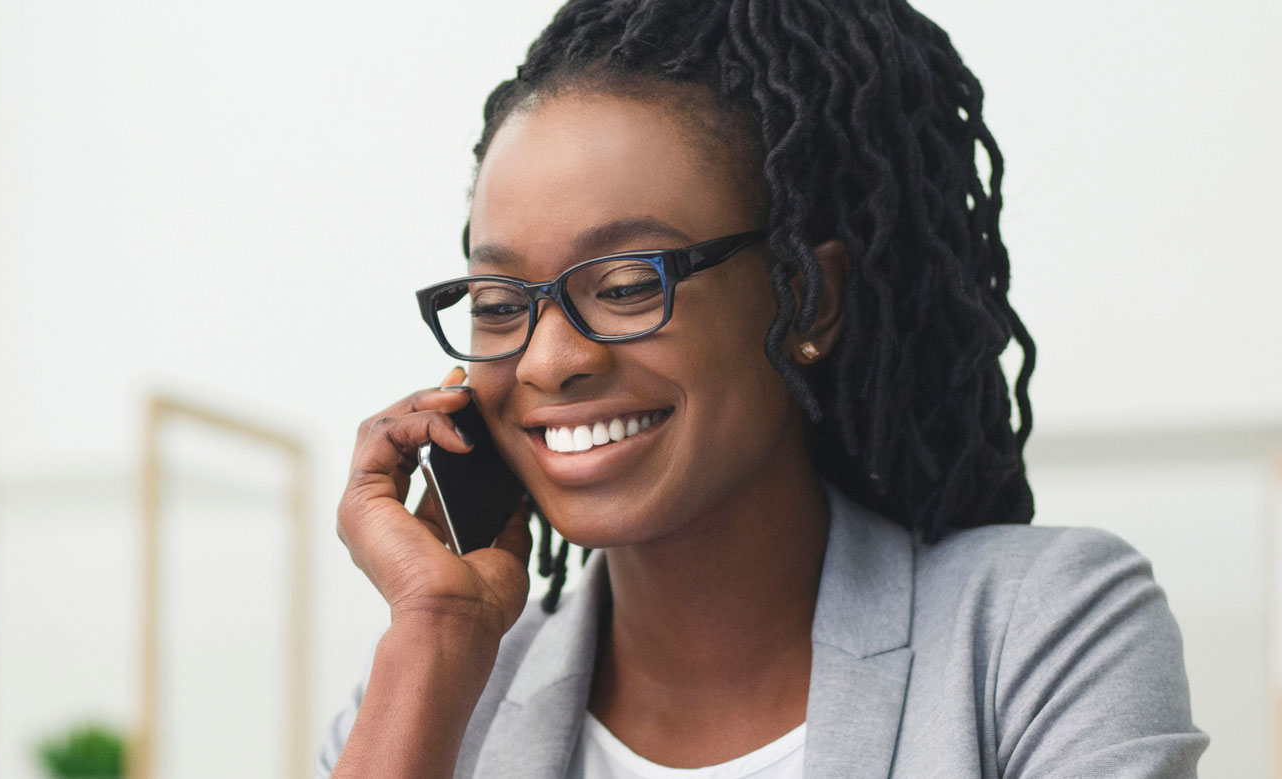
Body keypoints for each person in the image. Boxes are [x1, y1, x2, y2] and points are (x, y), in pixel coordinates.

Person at [321, 0, 1207, 776]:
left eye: (627, 284)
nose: (548, 361)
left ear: (804, 298)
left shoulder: (1039, 630)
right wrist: (435, 629)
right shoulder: (432, 690)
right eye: (499, 301)